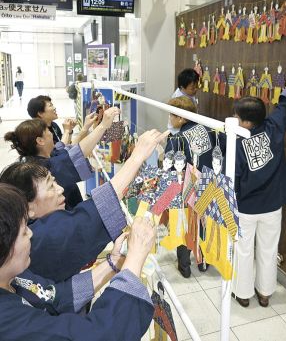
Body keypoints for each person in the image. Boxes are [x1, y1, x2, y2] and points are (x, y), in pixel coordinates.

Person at [0, 129, 169, 282]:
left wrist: (112, 263)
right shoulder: (39, 238)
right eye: (51, 186)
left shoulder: (27, 226)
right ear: (27, 207)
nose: (60, 189)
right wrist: (137, 156)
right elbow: (92, 213)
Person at [0, 183, 155, 341]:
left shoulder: (14, 279)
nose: (31, 233)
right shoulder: (8, 322)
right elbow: (99, 335)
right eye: (23, 231)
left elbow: (58, 296)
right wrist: (136, 257)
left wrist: (113, 262)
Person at [231, 64, 286, 308]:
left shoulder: (235, 142)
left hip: (246, 208)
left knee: (244, 251)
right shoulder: (274, 126)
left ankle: (243, 294)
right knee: (269, 249)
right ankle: (265, 294)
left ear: (246, 122)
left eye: (237, 117)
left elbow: (234, 179)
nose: (234, 119)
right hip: (272, 206)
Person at [4, 107, 120, 209]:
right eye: (47, 131)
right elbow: (77, 154)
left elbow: (65, 149)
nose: (51, 134)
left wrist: (83, 128)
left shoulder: (39, 158)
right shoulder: (45, 168)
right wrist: (103, 125)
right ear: (40, 141)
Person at [165, 96, 223, 278]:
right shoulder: (211, 131)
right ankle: (204, 261)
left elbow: (170, 168)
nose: (170, 119)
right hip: (208, 183)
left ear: (181, 118)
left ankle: (185, 265)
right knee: (204, 222)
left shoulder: (177, 138)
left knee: (185, 223)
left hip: (186, 187)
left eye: (172, 115)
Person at [169, 68, 199, 135]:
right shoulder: (178, 100)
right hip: (177, 134)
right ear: (182, 87)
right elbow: (176, 124)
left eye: (197, 86)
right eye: (192, 88)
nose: (196, 89)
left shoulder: (189, 93)